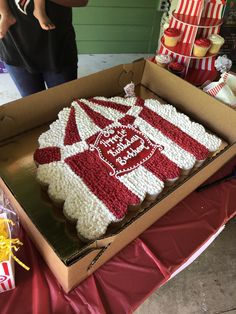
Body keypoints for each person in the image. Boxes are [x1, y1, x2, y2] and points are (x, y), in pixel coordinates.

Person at [0, 0, 88, 97]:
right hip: (14, 48)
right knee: (33, 104)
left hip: (57, 50)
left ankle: (38, 11)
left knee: (64, 104)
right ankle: (5, 14)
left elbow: (82, 1)